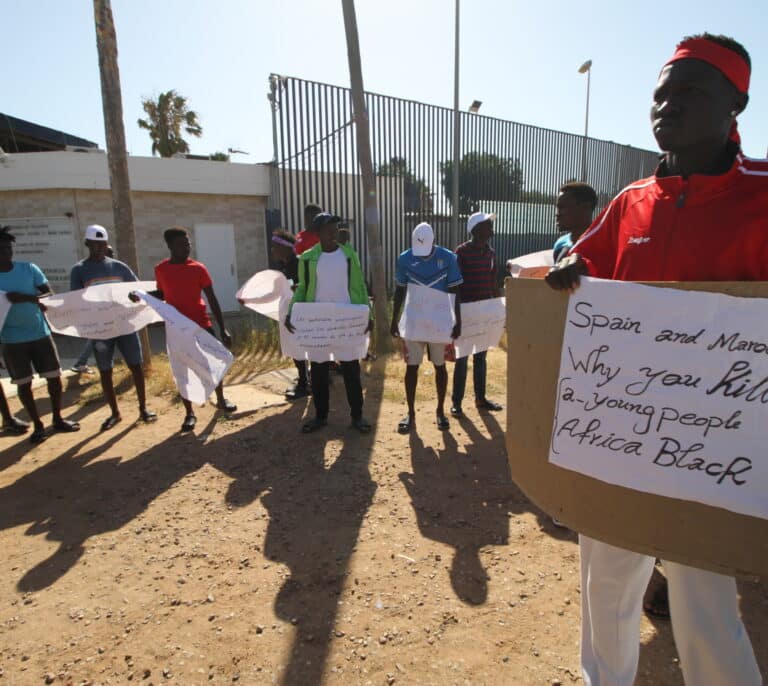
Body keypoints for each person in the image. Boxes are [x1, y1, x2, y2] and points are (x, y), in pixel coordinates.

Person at [546, 33, 764, 686]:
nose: (667, 105)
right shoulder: (630, 203)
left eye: (689, 91)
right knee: (606, 590)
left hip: (713, 462)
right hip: (617, 447)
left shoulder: (762, 197)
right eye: (660, 93)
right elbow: (579, 263)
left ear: (737, 105)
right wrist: (569, 268)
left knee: (704, 606)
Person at [284, 212, 372, 434]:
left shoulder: (349, 255)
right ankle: (320, 416)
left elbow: (359, 287)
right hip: (319, 323)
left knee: (352, 371)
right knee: (319, 373)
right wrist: (291, 311)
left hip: (346, 322)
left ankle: (357, 416)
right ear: (319, 233)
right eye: (329, 230)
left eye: (336, 229)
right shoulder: (308, 258)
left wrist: (367, 314)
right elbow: (303, 287)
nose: (334, 234)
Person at [70, 226, 157, 431]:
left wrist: (136, 296)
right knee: (105, 370)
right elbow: (74, 299)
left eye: (102, 244)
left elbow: (136, 291)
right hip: (101, 329)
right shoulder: (80, 270)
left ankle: (143, 408)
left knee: (136, 366)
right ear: (87, 244)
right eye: (94, 244)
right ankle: (115, 413)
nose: (99, 248)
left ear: (106, 244)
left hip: (125, 325)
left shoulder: (119, 267)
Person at [151, 227, 237, 432]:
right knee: (183, 370)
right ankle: (189, 413)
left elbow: (212, 299)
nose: (186, 248)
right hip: (177, 329)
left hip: (201, 325)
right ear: (170, 246)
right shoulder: (161, 269)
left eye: (188, 244)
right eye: (182, 244)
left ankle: (221, 399)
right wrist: (141, 296)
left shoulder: (198, 268)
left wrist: (223, 328)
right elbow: (161, 294)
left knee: (213, 363)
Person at [0, 226, 80, 444]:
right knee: (23, 384)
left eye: (8, 248)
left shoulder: (29, 269)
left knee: (54, 378)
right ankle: (37, 425)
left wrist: (26, 298)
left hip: (40, 334)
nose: (6, 253)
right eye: (1, 249)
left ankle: (57, 418)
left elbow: (47, 293)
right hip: (12, 340)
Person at [390, 222, 462, 434]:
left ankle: (440, 411)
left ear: (433, 241)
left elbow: (455, 291)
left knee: (440, 366)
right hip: (414, 319)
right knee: (412, 366)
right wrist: (395, 319)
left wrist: (457, 321)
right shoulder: (404, 258)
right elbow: (400, 290)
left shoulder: (448, 258)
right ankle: (410, 413)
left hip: (439, 321)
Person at [451, 212, 502, 417]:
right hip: (465, 312)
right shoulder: (461, 252)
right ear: (477, 229)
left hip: (485, 312)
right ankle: (456, 403)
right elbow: (454, 285)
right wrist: (456, 316)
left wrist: (497, 306)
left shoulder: (490, 252)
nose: (492, 228)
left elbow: (493, 280)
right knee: (462, 358)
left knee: (481, 357)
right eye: (488, 225)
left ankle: (481, 399)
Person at [269, 229, 309, 399]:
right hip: (288, 313)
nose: (272, 250)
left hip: (300, 314)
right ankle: (304, 378)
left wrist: (297, 287)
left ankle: (303, 384)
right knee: (295, 348)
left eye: (275, 246)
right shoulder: (282, 266)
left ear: (285, 248)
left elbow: (309, 285)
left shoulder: (299, 263)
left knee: (301, 348)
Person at [71, 244, 115, 374]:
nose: (112, 256)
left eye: (112, 254)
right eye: (110, 254)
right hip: (99, 314)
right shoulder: (86, 270)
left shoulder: (114, 268)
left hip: (111, 314)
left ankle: (81, 362)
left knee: (95, 339)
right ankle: (81, 363)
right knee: (96, 339)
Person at [552, 182, 597, 263]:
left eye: (563, 208)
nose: (557, 214)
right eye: (558, 208)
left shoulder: (603, 246)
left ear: (585, 208)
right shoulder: (560, 244)